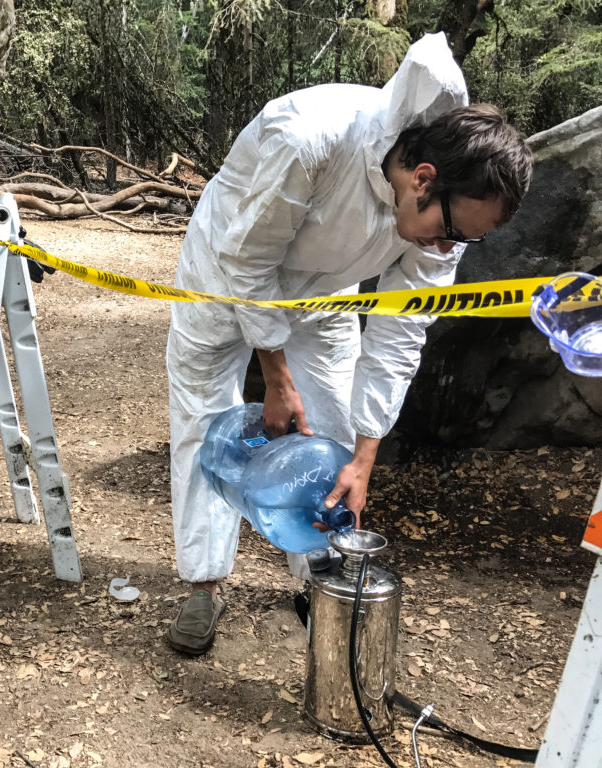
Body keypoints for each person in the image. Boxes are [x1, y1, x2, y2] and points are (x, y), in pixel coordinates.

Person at [165, 32, 534, 656]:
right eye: (449, 231)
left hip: (329, 292)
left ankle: (320, 578)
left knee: (331, 418)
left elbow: (401, 330)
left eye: (466, 240)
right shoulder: (311, 137)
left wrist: (364, 457)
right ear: (423, 179)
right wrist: (276, 379)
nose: (448, 248)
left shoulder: (442, 221)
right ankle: (204, 582)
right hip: (224, 270)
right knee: (206, 419)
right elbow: (249, 260)